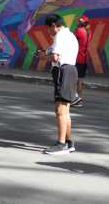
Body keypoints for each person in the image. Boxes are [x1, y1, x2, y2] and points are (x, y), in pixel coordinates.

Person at [41, 14, 79, 155]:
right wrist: (45, 52)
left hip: (63, 70)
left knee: (60, 110)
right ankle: (69, 143)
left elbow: (55, 56)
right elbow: (52, 50)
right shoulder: (70, 35)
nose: (48, 32)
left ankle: (61, 144)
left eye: (48, 28)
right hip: (71, 70)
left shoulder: (60, 36)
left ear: (53, 25)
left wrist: (46, 56)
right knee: (65, 111)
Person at [72, 14, 91, 107]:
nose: (77, 22)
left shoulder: (78, 31)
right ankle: (79, 98)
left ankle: (75, 99)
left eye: (79, 21)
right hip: (84, 59)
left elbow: (71, 41)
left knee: (73, 80)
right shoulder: (88, 32)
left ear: (82, 23)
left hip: (77, 58)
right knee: (80, 80)